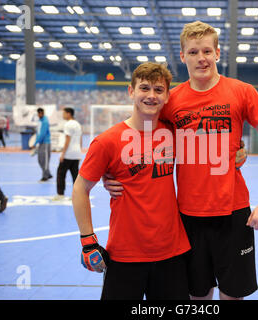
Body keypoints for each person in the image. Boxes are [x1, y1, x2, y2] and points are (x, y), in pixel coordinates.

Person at [103, 21, 258, 300]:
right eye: (193, 52)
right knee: (197, 295)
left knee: (232, 295)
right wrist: (112, 173)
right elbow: (142, 138)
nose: (200, 58)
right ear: (182, 56)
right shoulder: (171, 101)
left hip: (233, 213)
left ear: (217, 52)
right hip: (187, 218)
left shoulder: (242, 92)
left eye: (206, 51)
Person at [72, 62, 191, 300]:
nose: (151, 95)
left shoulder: (175, 132)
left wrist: (238, 150)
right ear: (131, 91)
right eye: (144, 88)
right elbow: (80, 189)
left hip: (171, 253)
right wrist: (88, 241)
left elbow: (212, 139)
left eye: (158, 90)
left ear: (167, 95)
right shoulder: (107, 142)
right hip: (125, 254)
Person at [52, 107, 82, 201]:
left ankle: (60, 194)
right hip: (76, 153)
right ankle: (77, 195)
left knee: (61, 174)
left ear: (69, 114)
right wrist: (79, 152)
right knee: (75, 175)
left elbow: (67, 140)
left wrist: (63, 154)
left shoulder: (68, 124)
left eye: (64, 113)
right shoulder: (77, 124)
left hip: (68, 154)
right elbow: (80, 139)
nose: (63, 115)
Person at [32, 108, 52, 182]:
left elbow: (43, 134)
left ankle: (45, 176)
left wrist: (35, 143)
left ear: (42, 113)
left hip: (46, 143)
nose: (39, 115)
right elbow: (38, 133)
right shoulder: (39, 121)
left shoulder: (45, 121)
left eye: (40, 113)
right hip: (41, 143)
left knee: (45, 161)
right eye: (38, 113)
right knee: (40, 160)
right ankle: (48, 174)